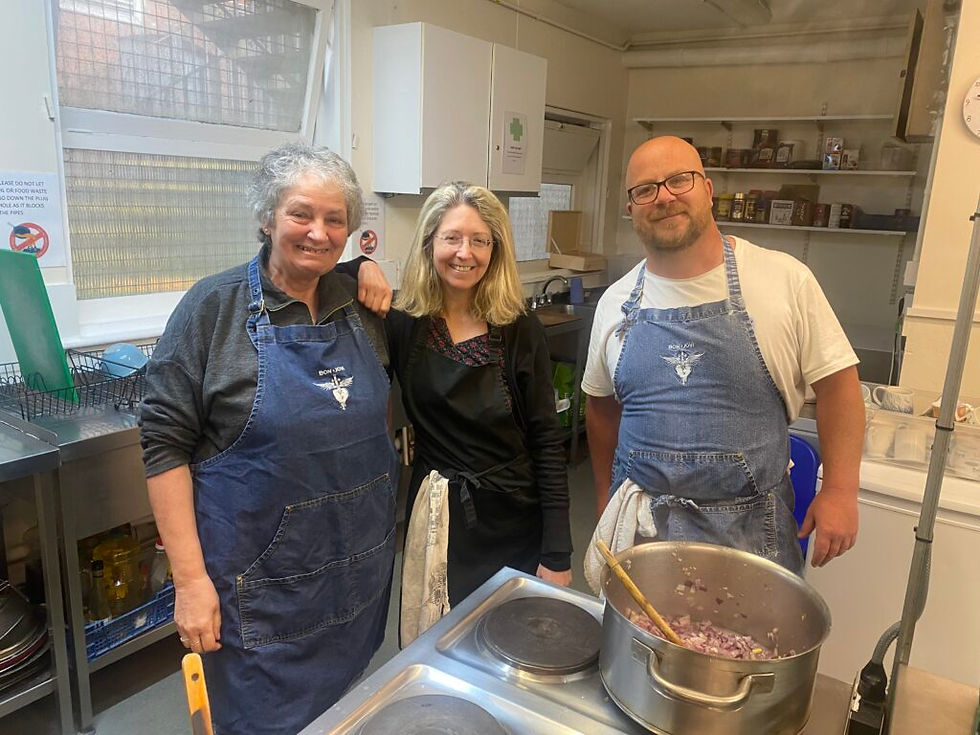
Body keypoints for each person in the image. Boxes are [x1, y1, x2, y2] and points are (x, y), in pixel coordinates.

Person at [139, 142, 396, 735]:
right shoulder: (213, 309)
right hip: (258, 597)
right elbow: (163, 446)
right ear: (267, 217)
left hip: (354, 576)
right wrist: (190, 582)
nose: (318, 233)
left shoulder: (362, 308)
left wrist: (366, 266)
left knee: (344, 713)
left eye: (335, 220)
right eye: (301, 214)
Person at [583, 136, 863, 575]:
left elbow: (839, 387)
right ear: (631, 208)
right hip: (640, 538)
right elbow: (601, 408)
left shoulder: (783, 280)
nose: (664, 197)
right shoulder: (614, 303)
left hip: (751, 539)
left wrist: (841, 491)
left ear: (708, 190)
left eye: (680, 180)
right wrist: (605, 496)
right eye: (646, 189)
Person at [387, 182, 573, 607]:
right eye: (451, 238)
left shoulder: (519, 328)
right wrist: (360, 266)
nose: (464, 253)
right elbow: (335, 280)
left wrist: (557, 552)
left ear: (495, 250)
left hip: (514, 518)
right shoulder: (404, 322)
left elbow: (547, 442)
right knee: (439, 634)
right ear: (429, 243)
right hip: (437, 518)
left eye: (479, 241)